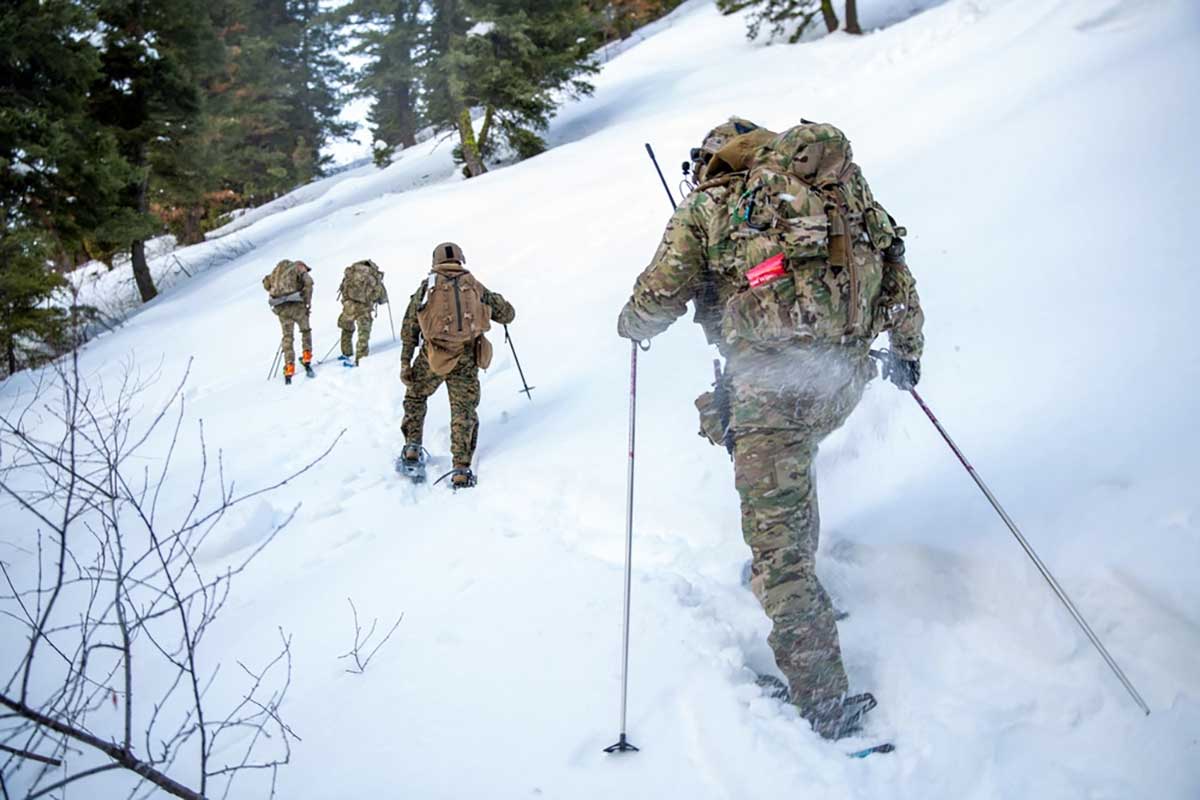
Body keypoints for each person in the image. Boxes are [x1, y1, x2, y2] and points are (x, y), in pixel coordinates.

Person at [617, 118, 925, 739]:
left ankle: (823, 700)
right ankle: (800, 594)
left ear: (710, 162)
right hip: (841, 381)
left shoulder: (708, 206)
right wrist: (908, 348)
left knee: (778, 550)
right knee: (795, 476)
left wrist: (632, 326)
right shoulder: (838, 190)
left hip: (771, 393)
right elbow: (896, 270)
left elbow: (659, 295)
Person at [398, 242, 515, 488]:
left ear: (435, 260)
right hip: (467, 356)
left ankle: (412, 448)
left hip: (433, 356)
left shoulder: (428, 287)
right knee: (463, 411)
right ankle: (461, 469)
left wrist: (405, 362)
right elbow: (507, 314)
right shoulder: (472, 284)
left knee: (416, 396)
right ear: (460, 259)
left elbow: (410, 327)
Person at [262, 259, 315, 384]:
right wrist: (307, 302)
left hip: (281, 308)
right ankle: (307, 357)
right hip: (298, 305)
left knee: (287, 337)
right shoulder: (299, 268)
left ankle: (289, 366)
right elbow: (309, 283)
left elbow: (266, 284)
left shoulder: (276, 271)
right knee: (305, 331)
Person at [336, 259, 389, 366]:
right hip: (364, 308)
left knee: (347, 329)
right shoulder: (373, 276)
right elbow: (381, 297)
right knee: (363, 334)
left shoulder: (352, 272)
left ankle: (346, 353)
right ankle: (360, 358)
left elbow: (343, 289)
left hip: (349, 306)